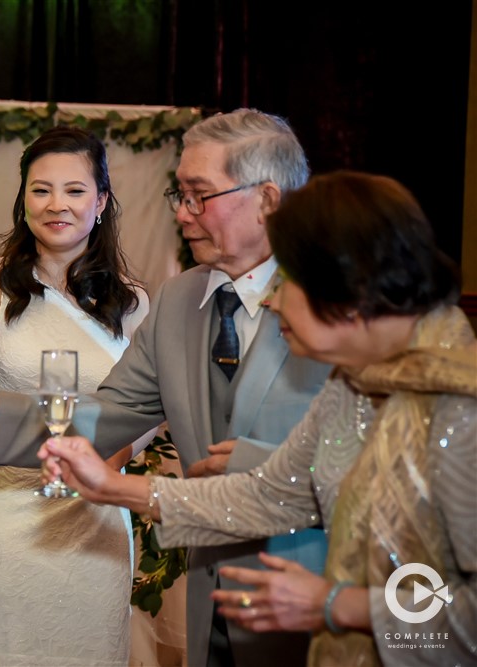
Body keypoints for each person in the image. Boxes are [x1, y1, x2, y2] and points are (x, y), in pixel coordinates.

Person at [40, 170, 476, 667]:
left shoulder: (461, 409)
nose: (269, 301)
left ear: (349, 291)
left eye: (287, 281)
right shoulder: (355, 383)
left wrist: (338, 605)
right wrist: (109, 486)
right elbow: (271, 492)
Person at [0, 109, 333, 667]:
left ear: (268, 200)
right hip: (214, 595)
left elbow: (393, 459)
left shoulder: (344, 296)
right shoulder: (180, 301)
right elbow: (111, 414)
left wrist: (258, 467)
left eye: (199, 196)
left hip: (320, 596)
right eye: (179, 195)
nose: (182, 214)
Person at [0, 125, 156, 665]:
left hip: (97, 513)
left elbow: (150, 409)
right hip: (0, 513)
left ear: (102, 201)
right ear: (23, 201)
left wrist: (119, 455)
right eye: (40, 190)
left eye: (75, 190)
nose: (56, 204)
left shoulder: (134, 304)